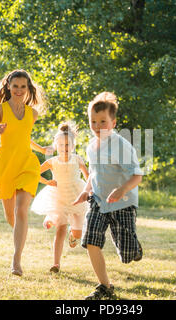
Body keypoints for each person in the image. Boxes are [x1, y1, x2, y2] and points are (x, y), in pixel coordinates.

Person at [73, 92, 144, 300]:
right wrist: (86, 191)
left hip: (123, 203)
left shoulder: (121, 145)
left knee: (128, 255)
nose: (97, 126)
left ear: (113, 123)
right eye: (93, 121)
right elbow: (93, 173)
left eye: (102, 121)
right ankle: (105, 286)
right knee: (91, 240)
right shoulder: (91, 147)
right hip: (98, 202)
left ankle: (134, 247)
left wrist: (122, 189)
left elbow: (137, 176)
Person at [0, 69, 53, 276]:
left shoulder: (32, 113)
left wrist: (40, 149)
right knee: (10, 215)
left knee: (21, 209)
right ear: (8, 86)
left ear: (28, 89)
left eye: (23, 87)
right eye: (15, 86)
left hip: (27, 164)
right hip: (5, 165)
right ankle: (20, 235)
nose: (19, 90)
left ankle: (16, 261)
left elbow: (24, 137)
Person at [30, 121, 89, 273]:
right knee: (60, 229)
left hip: (77, 196)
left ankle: (73, 234)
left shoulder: (78, 159)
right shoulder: (52, 162)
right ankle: (56, 264)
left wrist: (91, 191)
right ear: (56, 146)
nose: (65, 148)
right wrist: (47, 181)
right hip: (60, 198)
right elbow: (34, 173)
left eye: (68, 145)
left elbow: (89, 177)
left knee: (77, 234)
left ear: (73, 145)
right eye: (61, 145)